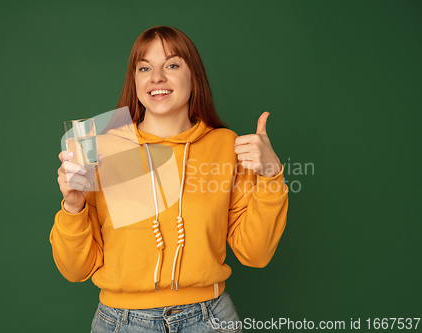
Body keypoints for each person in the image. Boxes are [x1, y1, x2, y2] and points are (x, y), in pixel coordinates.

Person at [50, 26, 289, 333]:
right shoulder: (101, 148)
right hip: (121, 322)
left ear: (194, 76)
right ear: (134, 79)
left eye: (172, 65)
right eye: (144, 68)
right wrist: (73, 206)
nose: (157, 77)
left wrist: (270, 176)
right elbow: (75, 269)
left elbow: (256, 253)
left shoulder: (225, 146)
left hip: (209, 319)